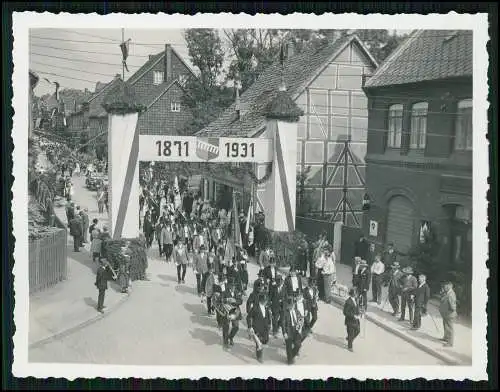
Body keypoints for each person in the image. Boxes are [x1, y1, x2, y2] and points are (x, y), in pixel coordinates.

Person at [247, 293, 272, 363]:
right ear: (262, 300)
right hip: (257, 327)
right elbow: (248, 317)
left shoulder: (266, 307)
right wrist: (250, 326)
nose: (266, 301)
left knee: (265, 340)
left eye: (266, 300)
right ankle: (259, 356)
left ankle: (259, 347)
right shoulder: (255, 307)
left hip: (265, 327)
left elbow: (267, 316)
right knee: (259, 342)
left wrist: (269, 324)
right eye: (265, 300)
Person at [221, 279, 243, 350]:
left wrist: (235, 301)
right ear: (229, 286)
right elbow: (220, 299)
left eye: (234, 286)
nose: (233, 287)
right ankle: (225, 341)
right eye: (232, 285)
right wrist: (227, 300)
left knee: (236, 327)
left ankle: (230, 337)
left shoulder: (237, 292)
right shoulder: (225, 292)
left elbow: (241, 301)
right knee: (226, 327)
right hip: (227, 311)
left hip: (235, 312)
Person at [281, 296, 302, 365]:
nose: (290, 307)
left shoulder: (297, 311)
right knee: (289, 346)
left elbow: (300, 319)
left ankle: (291, 355)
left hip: (296, 330)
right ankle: (289, 359)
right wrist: (284, 333)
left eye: (291, 305)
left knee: (298, 345)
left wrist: (299, 325)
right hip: (288, 330)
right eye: (289, 305)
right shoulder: (284, 312)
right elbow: (283, 323)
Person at [439, 281, 457, 347]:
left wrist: (450, 311)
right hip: (445, 314)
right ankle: (446, 338)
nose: (445, 287)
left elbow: (453, 306)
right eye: (444, 286)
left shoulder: (451, 294)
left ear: (450, 286)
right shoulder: (447, 293)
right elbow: (442, 300)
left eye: (446, 286)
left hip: (449, 314)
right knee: (445, 326)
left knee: (450, 328)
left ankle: (450, 343)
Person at [343, 288, 361, 352]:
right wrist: (353, 315)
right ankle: (350, 346)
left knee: (358, 331)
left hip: (356, 320)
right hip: (350, 320)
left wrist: (359, 313)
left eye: (356, 293)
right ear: (352, 294)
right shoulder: (348, 301)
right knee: (351, 333)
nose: (356, 294)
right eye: (355, 293)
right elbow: (345, 312)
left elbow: (357, 308)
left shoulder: (356, 300)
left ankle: (349, 339)